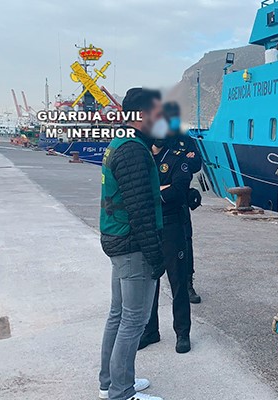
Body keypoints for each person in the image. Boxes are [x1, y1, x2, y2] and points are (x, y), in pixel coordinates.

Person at [98, 88, 168, 400]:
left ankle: (109, 382)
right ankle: (121, 392)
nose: (161, 119)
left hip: (118, 240)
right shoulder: (133, 151)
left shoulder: (120, 144)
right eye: (156, 113)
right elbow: (140, 209)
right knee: (133, 319)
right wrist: (156, 257)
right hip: (132, 245)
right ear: (140, 115)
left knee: (118, 313)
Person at [138, 137, 193, 354]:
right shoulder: (142, 156)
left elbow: (179, 191)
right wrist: (161, 189)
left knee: (178, 280)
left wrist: (151, 193)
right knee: (150, 280)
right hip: (149, 226)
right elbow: (134, 188)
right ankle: (151, 330)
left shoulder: (178, 159)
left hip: (172, 226)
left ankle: (182, 333)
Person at [162, 101, 203, 304]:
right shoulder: (158, 138)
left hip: (179, 199)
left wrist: (181, 165)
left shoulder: (184, 139)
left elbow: (196, 163)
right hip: (159, 200)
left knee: (186, 241)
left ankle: (187, 283)